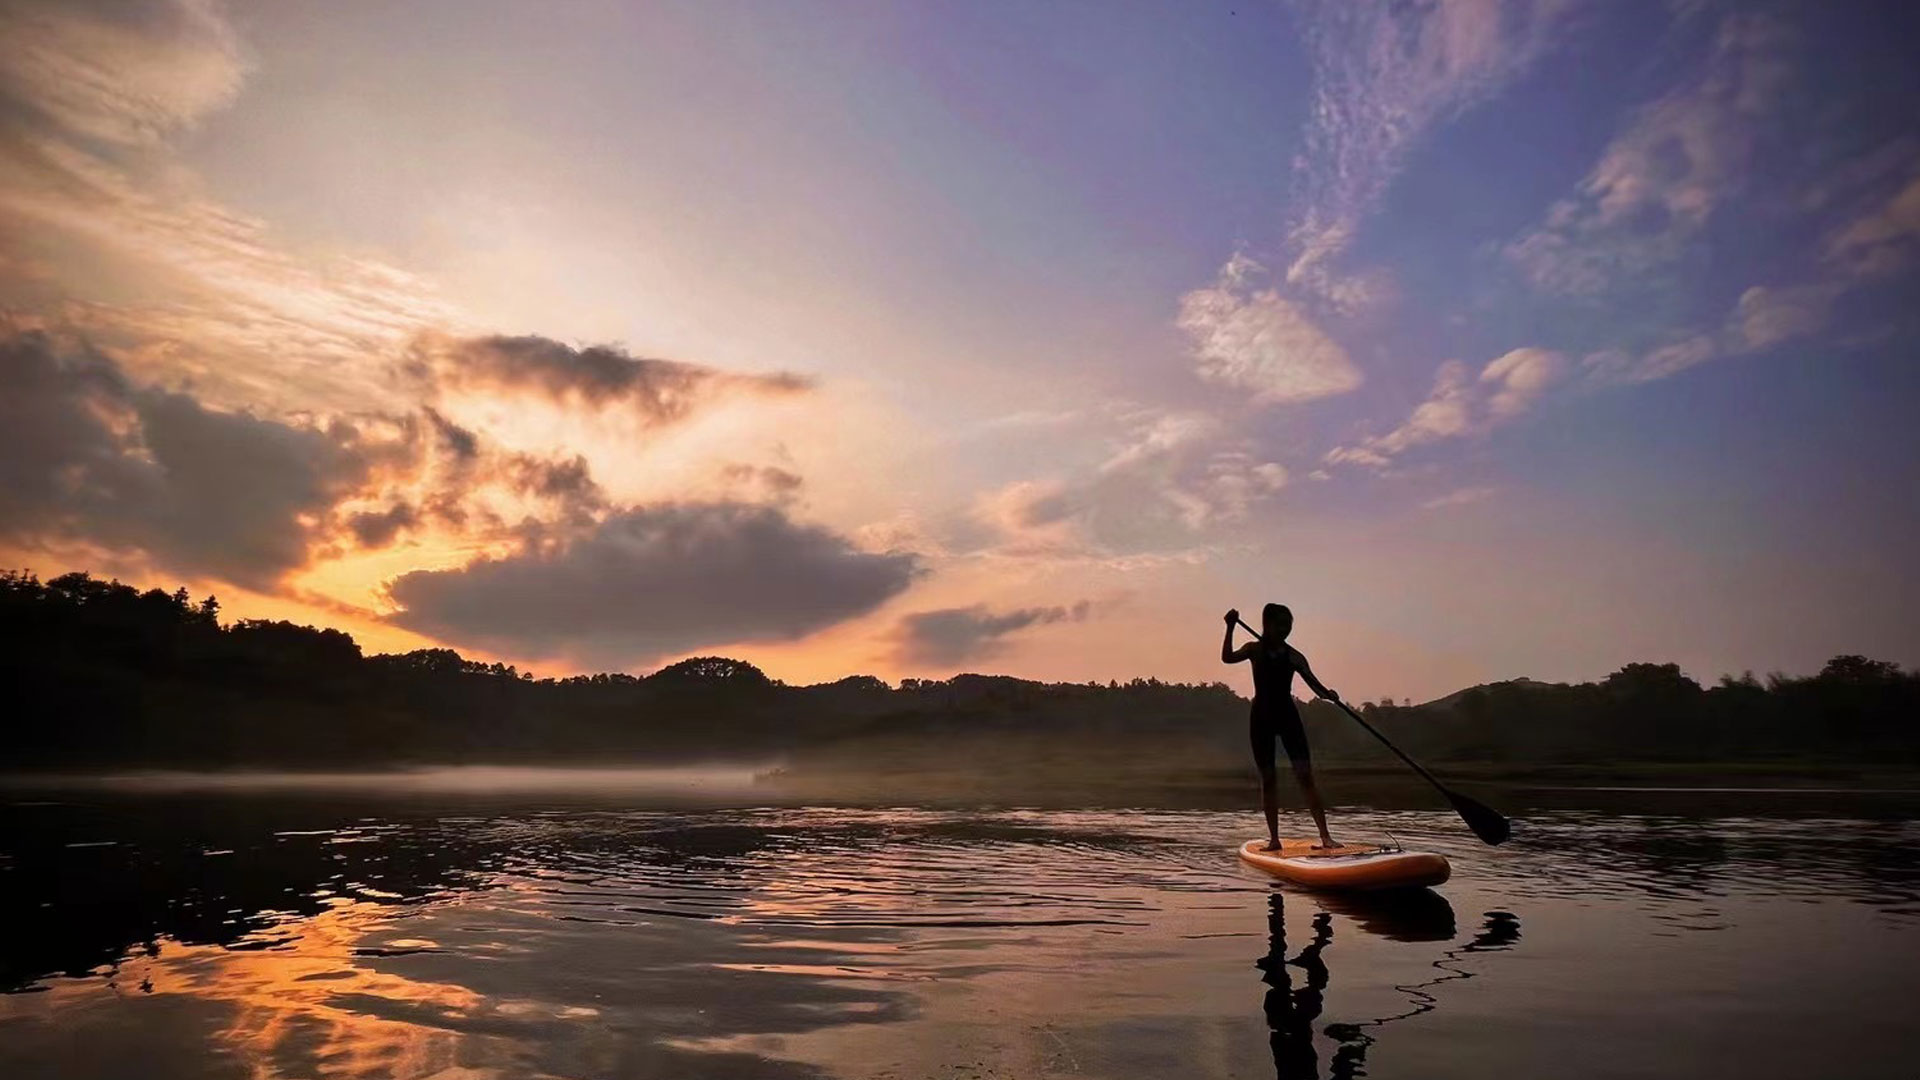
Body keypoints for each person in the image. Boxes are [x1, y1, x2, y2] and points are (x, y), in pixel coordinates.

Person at [1222, 603, 1340, 851]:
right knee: (1269, 779)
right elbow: (1227, 657)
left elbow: (1316, 687)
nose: (1285, 630)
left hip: (1288, 717)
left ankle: (1326, 837)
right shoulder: (1253, 649)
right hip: (1261, 718)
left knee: (1305, 777)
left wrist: (1329, 694)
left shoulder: (1294, 656)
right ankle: (1274, 840)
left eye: (1289, 626)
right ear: (1268, 624)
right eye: (1281, 625)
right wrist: (1230, 627)